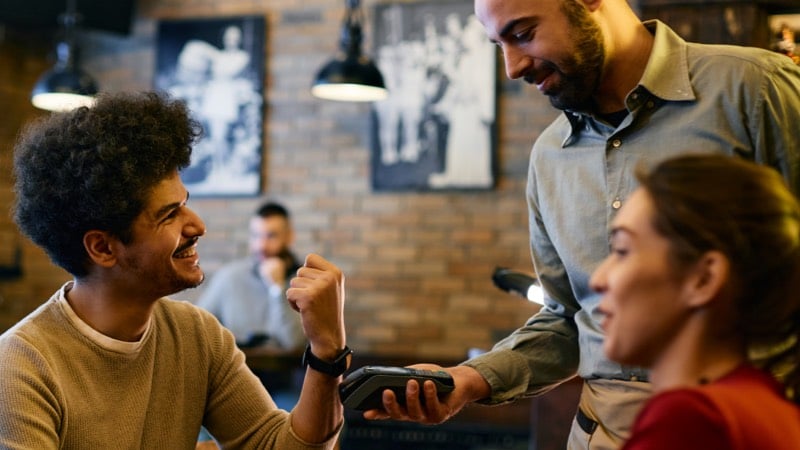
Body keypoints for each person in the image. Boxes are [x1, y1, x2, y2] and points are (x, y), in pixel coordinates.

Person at [365, 0, 800, 449]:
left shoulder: (756, 90)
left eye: (523, 34)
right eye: (498, 45)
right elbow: (569, 318)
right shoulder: (549, 155)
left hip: (742, 426)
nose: (512, 68)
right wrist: (468, 380)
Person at [1, 91, 350, 449]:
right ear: (103, 248)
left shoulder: (197, 336)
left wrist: (327, 353)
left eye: (185, 204)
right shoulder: (22, 365)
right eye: (169, 215)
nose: (197, 225)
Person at [590, 154, 800, 449]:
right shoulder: (768, 406)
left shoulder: (691, 421)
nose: (597, 279)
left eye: (623, 251)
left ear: (703, 279)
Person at [197, 201, 305, 353]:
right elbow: (197, 328)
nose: (261, 246)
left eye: (271, 236)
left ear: (289, 237)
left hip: (287, 367)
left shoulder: (305, 282)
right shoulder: (230, 277)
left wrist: (277, 288)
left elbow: (295, 344)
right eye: (256, 236)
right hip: (236, 364)